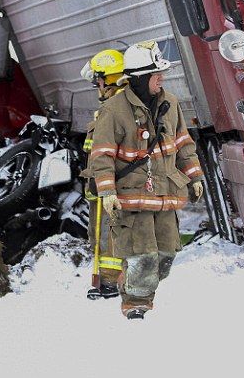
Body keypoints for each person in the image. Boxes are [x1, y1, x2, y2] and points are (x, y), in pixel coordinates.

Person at [87, 41, 204, 320]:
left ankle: (133, 285)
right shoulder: (113, 110)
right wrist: (108, 191)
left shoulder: (170, 103)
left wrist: (195, 175)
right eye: (156, 74)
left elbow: (183, 143)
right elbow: (101, 155)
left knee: (166, 254)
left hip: (164, 194)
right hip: (132, 196)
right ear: (139, 78)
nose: (161, 79)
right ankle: (136, 304)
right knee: (143, 256)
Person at [79, 49, 126, 300]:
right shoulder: (112, 107)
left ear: (108, 78)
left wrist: (107, 185)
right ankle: (105, 280)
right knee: (99, 233)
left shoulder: (118, 109)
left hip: (112, 186)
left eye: (98, 80)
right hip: (100, 184)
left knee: (111, 234)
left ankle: (110, 282)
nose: (96, 86)